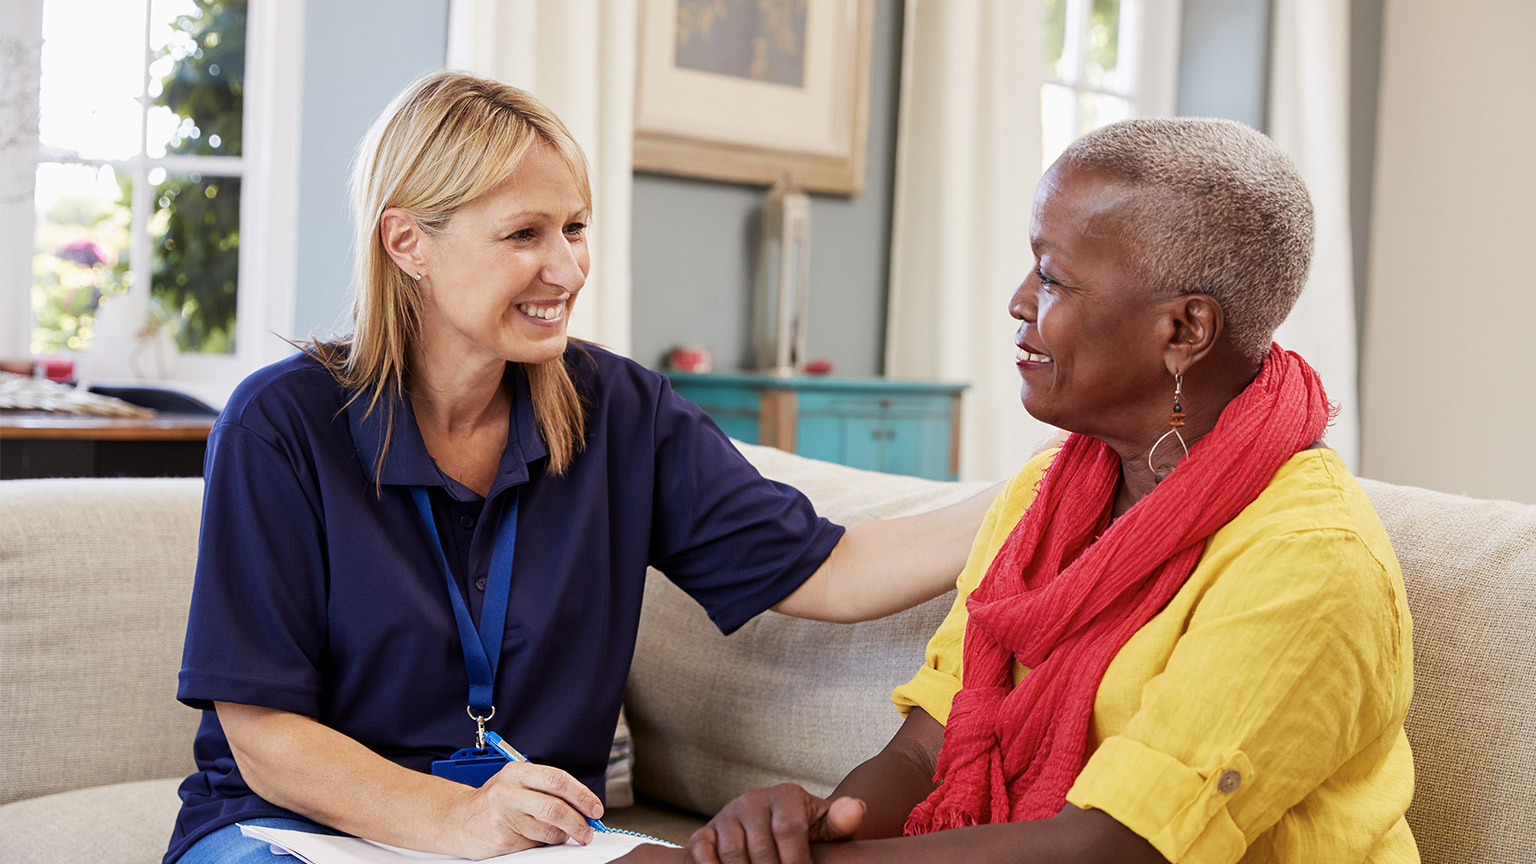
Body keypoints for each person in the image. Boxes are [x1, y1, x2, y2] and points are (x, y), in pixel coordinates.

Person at [165, 71, 999, 864]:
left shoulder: (622, 411)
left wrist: (1047, 483)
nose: (566, 269)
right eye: (524, 234)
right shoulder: (280, 423)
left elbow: (835, 572)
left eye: (574, 227)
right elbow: (265, 736)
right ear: (407, 241)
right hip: (293, 832)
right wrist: (461, 816)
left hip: (531, 843)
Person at [625, 118, 1418, 863]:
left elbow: (1116, 847)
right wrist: (820, 829)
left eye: (1054, 277)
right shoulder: (1048, 491)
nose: (1017, 301)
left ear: (1184, 331)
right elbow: (927, 746)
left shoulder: (1311, 562)